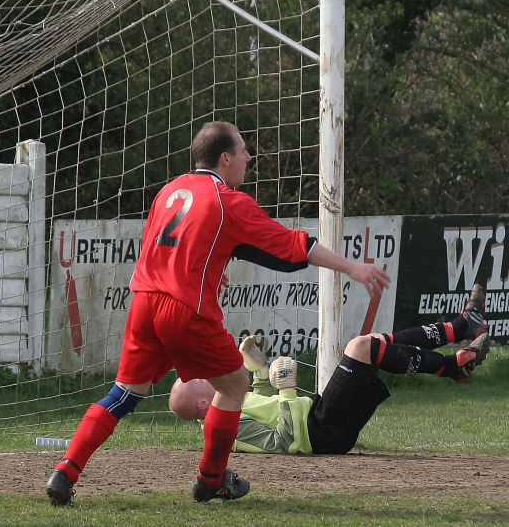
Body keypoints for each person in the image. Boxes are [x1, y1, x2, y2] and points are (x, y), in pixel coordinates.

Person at [45, 120, 392, 506]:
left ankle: (65, 472)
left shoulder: (170, 190)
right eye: (243, 150)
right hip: (184, 308)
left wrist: (210, 269)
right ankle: (211, 480)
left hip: (144, 300)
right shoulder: (228, 200)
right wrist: (355, 268)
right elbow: (297, 246)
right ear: (225, 158)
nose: (248, 156)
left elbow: (167, 248)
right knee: (235, 386)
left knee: (124, 394)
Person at [168, 284, 490, 455]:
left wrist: (260, 370)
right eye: (196, 381)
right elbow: (282, 441)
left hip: (320, 421)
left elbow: (264, 403)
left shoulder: (228, 404)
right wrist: (287, 390)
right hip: (321, 434)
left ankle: (460, 331)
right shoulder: (222, 430)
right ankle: (453, 362)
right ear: (200, 404)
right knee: (361, 347)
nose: (203, 375)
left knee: (373, 344)